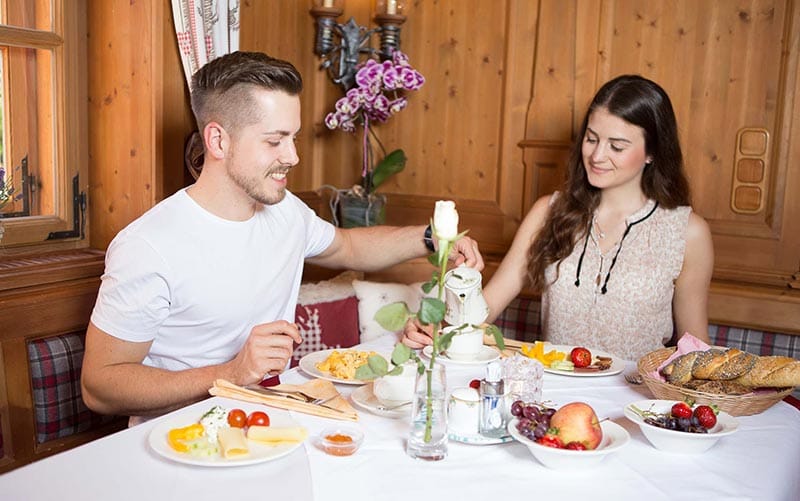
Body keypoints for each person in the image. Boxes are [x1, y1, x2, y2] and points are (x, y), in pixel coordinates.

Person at [80, 51, 483, 422]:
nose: (292, 157)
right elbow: (100, 386)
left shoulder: (285, 210)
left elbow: (350, 247)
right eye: (274, 141)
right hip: (183, 441)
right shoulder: (149, 245)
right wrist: (231, 373)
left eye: (293, 139)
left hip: (277, 421)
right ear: (218, 140)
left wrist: (434, 238)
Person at [403, 74, 714, 361]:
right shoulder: (547, 212)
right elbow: (485, 308)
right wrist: (438, 328)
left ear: (652, 153)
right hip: (551, 400)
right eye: (591, 139)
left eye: (616, 146)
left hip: (635, 407)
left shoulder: (687, 232)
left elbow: (694, 349)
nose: (597, 155)